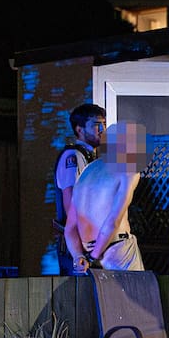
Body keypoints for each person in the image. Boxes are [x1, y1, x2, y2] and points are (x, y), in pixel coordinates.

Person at [64, 120, 144, 272]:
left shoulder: (87, 172)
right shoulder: (128, 170)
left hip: (86, 252)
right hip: (116, 250)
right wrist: (94, 256)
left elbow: (70, 228)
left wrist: (79, 257)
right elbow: (113, 220)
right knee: (134, 295)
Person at [54, 103, 105, 274]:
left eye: (103, 124)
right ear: (79, 130)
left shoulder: (92, 157)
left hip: (89, 240)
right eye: (96, 124)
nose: (102, 129)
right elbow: (71, 208)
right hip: (76, 243)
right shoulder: (73, 157)